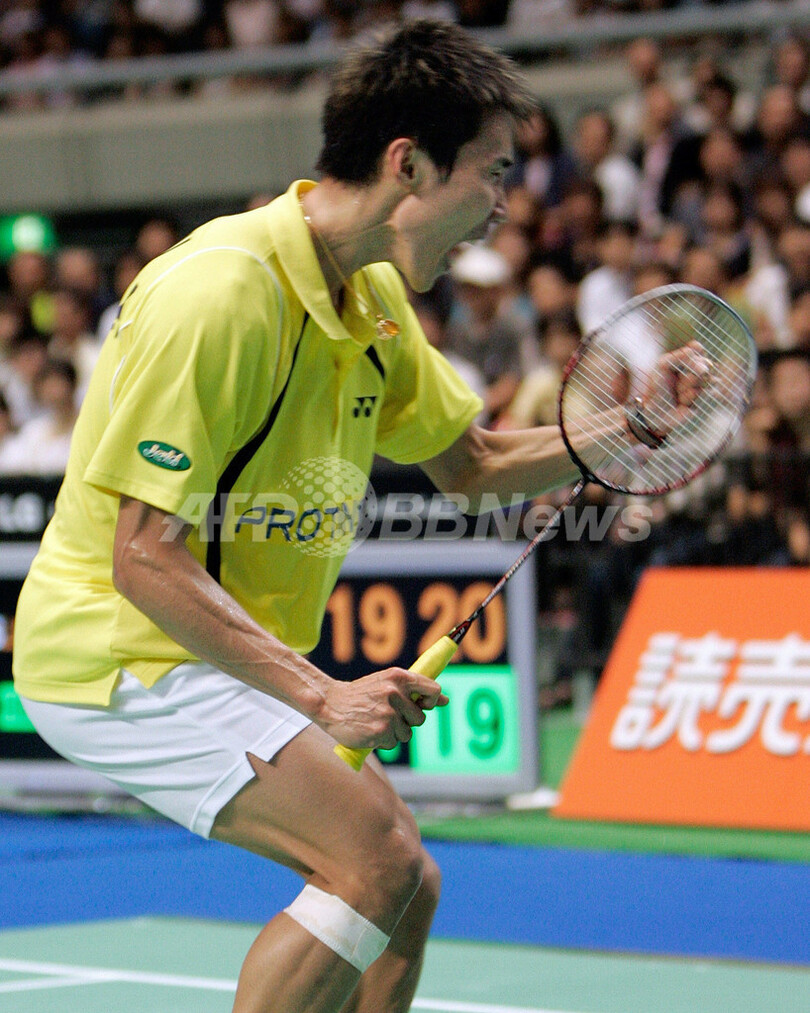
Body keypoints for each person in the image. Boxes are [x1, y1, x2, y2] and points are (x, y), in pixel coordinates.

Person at [11, 20, 701, 1013]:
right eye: (492, 173)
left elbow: (472, 466)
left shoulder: (370, 292)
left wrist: (630, 424)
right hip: (115, 650)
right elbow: (142, 558)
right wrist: (323, 695)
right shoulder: (222, 293)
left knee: (407, 888)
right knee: (375, 857)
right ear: (407, 163)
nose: (501, 206)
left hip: (208, 648)